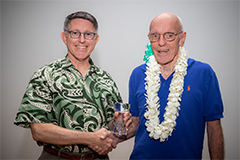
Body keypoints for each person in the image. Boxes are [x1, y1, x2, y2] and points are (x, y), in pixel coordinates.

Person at [14, 11, 131, 160]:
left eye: (88, 34)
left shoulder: (106, 79)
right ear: (64, 37)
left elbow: (110, 128)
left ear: (96, 39)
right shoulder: (45, 75)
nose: (82, 40)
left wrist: (117, 122)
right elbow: (39, 131)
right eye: (75, 33)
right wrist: (89, 138)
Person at [115, 12, 224, 159]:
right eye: (155, 36)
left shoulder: (204, 73)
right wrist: (115, 133)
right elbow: (135, 123)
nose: (161, 43)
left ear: (182, 38)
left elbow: (213, 128)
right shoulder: (137, 74)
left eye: (169, 35)